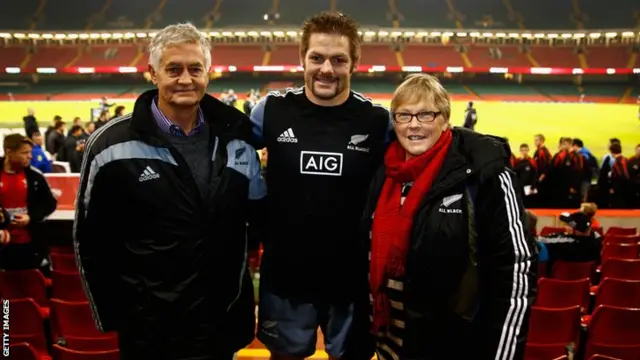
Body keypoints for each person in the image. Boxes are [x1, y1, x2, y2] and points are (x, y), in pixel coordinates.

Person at [73, 22, 265, 360]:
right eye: (173, 69)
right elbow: (90, 239)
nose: (186, 79)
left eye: (195, 69)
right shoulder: (110, 145)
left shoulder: (238, 139)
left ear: (209, 73)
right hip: (149, 330)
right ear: (153, 73)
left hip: (220, 324)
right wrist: (119, 316)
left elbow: (259, 220)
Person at [250, 11, 392, 360]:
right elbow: (223, 149)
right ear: (303, 59)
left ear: (354, 64)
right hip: (285, 278)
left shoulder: (377, 122)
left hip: (352, 281)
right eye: (317, 58)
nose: (326, 69)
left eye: (338, 60)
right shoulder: (270, 111)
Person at [363, 74, 536, 359]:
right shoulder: (384, 173)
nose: (414, 124)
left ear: (445, 119)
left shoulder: (484, 174)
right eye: (404, 115)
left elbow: (515, 270)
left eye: (426, 114)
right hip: (390, 344)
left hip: (455, 345)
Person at [0, 134, 57, 270]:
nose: (30, 156)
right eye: (24, 152)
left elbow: (50, 204)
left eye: (30, 152)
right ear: (9, 152)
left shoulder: (35, 177)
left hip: (27, 244)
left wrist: (31, 216)